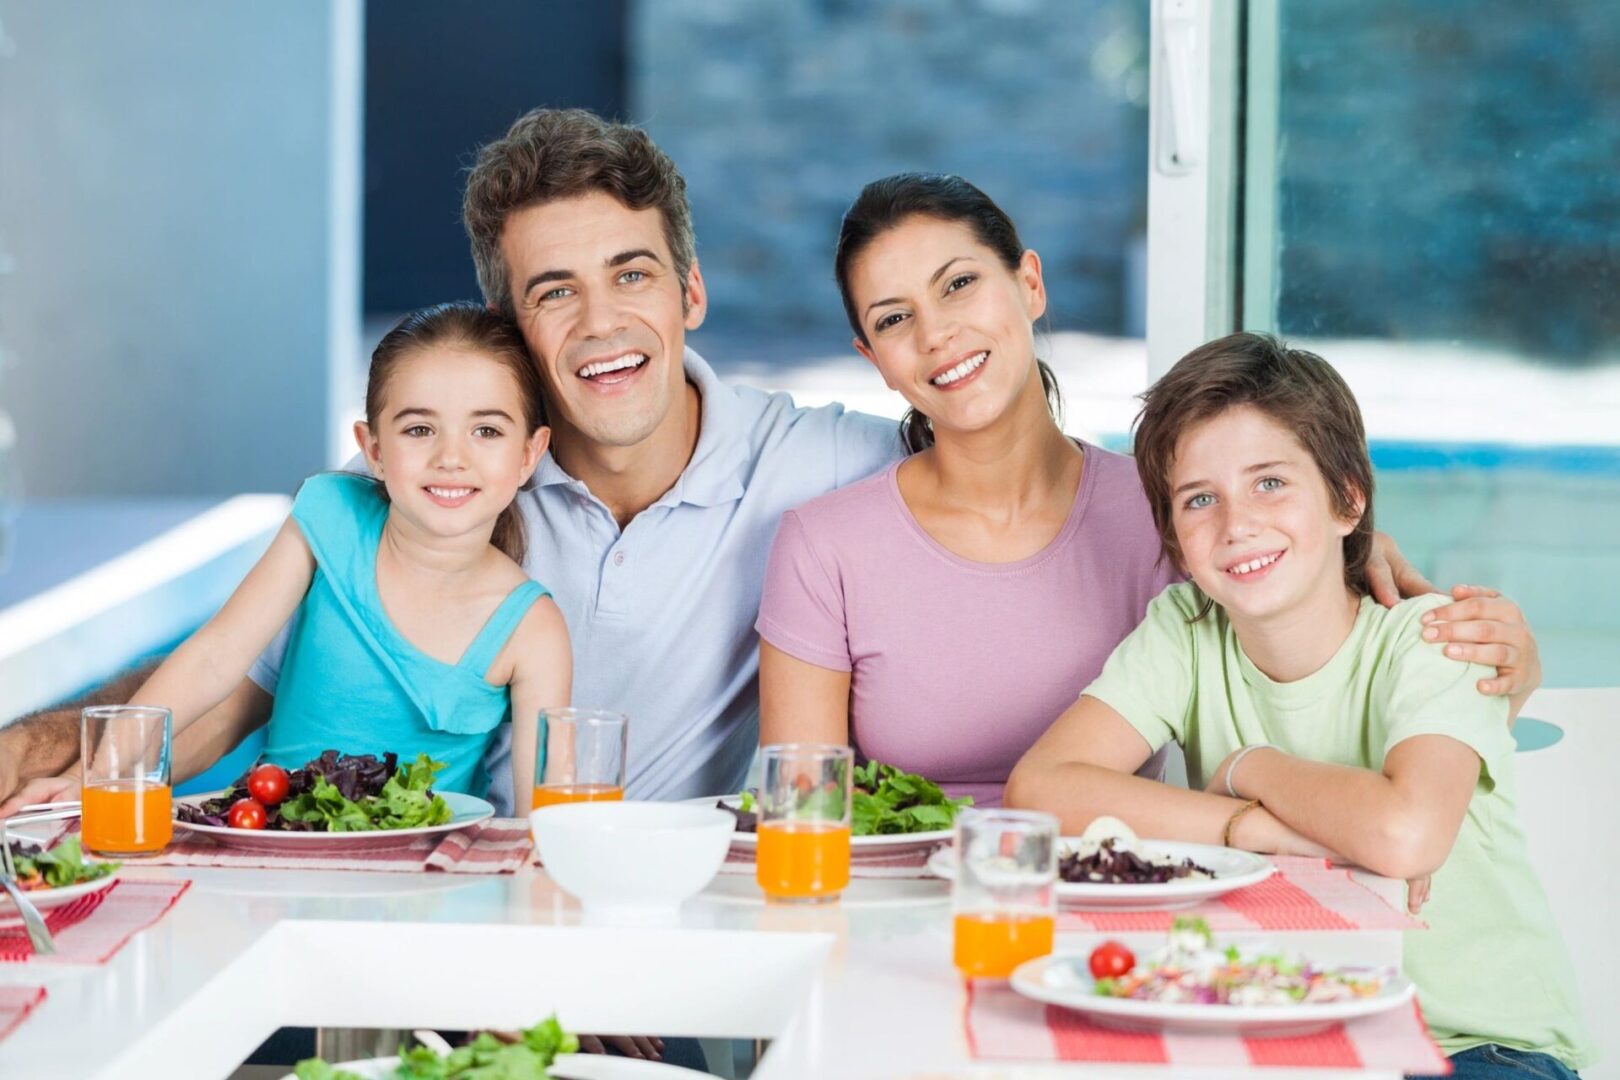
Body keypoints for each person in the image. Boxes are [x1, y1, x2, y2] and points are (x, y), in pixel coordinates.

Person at [0, 109, 1540, 822]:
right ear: (515, 337)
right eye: (552, 294)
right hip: (457, 881)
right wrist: (73, 740)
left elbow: (992, 465)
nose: (600, 321)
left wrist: (1362, 559)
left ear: (691, 295)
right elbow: (304, 661)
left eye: (628, 275)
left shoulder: (824, 476)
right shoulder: (453, 482)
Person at [757, 173, 1537, 806]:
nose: (936, 335)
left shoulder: (1184, 514)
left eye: (959, 284)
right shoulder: (825, 546)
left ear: (1029, 283)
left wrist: (1511, 659)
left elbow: (1345, 682)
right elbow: (803, 813)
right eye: (895, 319)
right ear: (873, 356)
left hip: (1130, 899)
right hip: (898, 916)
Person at [1005, 332, 1592, 1077]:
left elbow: (1405, 836)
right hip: (1286, 1033)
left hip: (1471, 1044)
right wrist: (1254, 830)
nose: (1236, 522)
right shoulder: (1185, 632)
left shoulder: (1436, 636)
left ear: (1349, 499)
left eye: (1270, 483)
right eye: (1199, 499)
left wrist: (1254, 767)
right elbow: (1042, 788)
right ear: (1177, 543)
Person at [25, 303, 571, 802]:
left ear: (529, 455)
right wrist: (91, 781)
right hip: (268, 845)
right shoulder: (329, 515)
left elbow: (540, 821)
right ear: (373, 450)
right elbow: (214, 657)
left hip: (422, 886)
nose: (451, 457)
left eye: (486, 431)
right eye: (420, 428)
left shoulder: (531, 627)